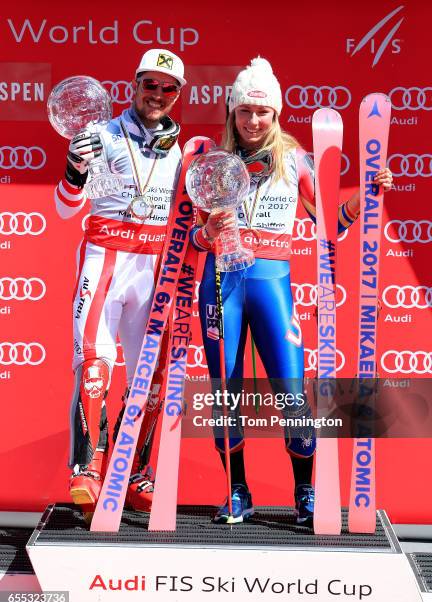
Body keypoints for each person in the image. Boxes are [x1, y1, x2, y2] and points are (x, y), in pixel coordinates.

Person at [190, 57, 392, 526]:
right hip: (222, 283)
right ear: (231, 114)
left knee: (292, 392)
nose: (253, 120)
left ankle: (306, 491)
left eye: (262, 112)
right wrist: (211, 230)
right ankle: (236, 490)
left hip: (271, 283)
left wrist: (365, 196)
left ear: (276, 114)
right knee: (226, 392)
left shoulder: (297, 161)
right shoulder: (213, 164)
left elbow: (329, 225)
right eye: (245, 111)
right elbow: (196, 238)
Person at [54, 48, 186, 519]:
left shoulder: (183, 151)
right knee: (94, 363)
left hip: (155, 265)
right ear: (135, 84)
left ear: (178, 94)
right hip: (105, 256)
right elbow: (67, 208)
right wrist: (74, 168)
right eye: (150, 84)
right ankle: (87, 468)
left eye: (168, 88)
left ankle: (136, 473)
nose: (157, 94)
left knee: (153, 374)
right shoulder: (100, 134)